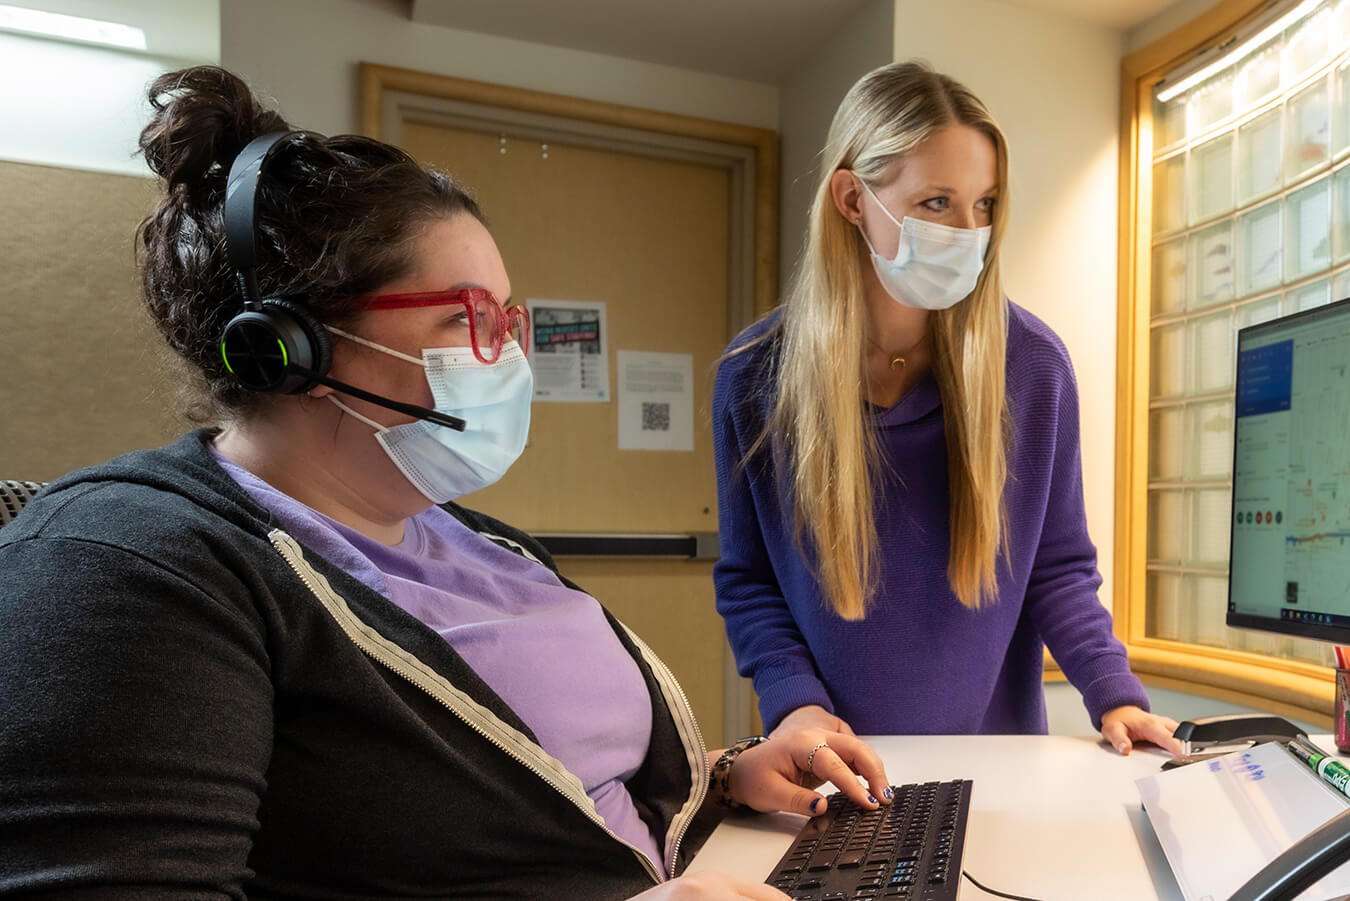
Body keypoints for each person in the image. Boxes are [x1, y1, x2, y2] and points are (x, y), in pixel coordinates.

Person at [0, 66, 894, 900]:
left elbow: (557, 785)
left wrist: (728, 775)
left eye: (508, 319)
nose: (507, 352)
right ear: (289, 347)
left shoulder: (481, 543)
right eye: (470, 317)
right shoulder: (122, 569)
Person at [712, 61, 1185, 757]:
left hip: (1000, 771)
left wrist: (1114, 690)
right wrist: (796, 705)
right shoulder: (754, 377)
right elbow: (750, 580)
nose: (971, 231)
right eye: (938, 202)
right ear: (850, 198)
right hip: (836, 766)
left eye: (985, 203)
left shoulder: (1035, 368)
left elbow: (1056, 566)